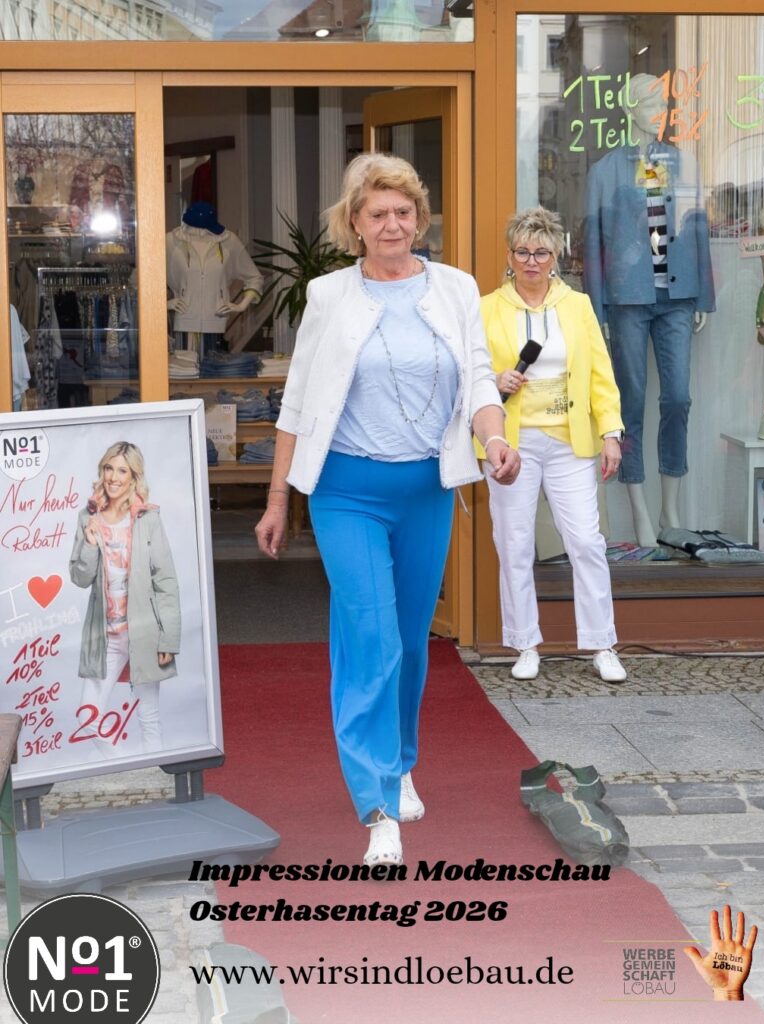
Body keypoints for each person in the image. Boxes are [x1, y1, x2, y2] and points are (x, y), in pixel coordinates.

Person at [255, 152, 520, 867]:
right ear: (354, 223)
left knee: (407, 639)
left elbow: (478, 381)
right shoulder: (328, 296)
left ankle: (400, 760)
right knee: (370, 637)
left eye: (403, 212)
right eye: (377, 214)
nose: (392, 224)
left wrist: (495, 440)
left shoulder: (454, 288)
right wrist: (278, 498)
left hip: (426, 490)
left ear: (419, 217)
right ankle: (375, 805)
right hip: (346, 491)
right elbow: (297, 403)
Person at [480, 207, 626, 683]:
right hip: (511, 442)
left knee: (585, 541)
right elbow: (469, 374)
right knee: (515, 543)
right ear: (509, 255)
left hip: (570, 441)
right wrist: (495, 379)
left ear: (556, 255)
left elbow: (601, 373)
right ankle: (525, 644)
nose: (531, 261)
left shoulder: (577, 305)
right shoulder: (486, 308)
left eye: (541, 252)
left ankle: (602, 643)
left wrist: (610, 432)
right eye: (522, 252)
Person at [583, 73, 715, 547]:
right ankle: (639, 509)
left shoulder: (684, 163)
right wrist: (596, 308)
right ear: (630, 108)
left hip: (677, 296)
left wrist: (704, 295)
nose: (659, 112)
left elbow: (696, 226)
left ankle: (669, 509)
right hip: (627, 299)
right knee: (630, 402)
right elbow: (593, 243)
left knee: (678, 398)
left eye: (663, 104)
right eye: (650, 103)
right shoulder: (605, 172)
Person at [69, 441, 181, 755]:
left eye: (122, 471)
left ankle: (155, 773)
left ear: (134, 476)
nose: (113, 477)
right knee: (88, 717)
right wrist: (90, 544)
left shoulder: (147, 518)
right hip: (106, 635)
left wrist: (168, 639)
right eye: (109, 468)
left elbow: (165, 580)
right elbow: (79, 578)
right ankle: (127, 766)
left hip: (143, 630)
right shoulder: (88, 517)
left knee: (149, 716)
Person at [166, 201, 263, 355]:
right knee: (185, 367)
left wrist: (241, 306)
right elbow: (145, 278)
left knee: (212, 367)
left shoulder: (228, 241)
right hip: (183, 321)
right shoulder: (171, 241)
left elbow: (254, 277)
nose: (204, 234)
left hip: (217, 320)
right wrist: (165, 304)